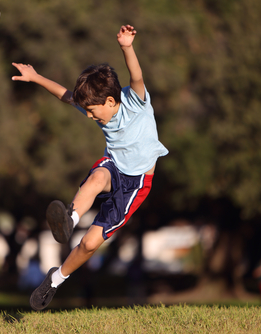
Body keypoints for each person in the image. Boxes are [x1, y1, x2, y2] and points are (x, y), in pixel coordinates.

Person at [12, 25, 168, 311]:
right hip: (113, 168)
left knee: (89, 244)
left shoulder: (136, 101)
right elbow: (64, 94)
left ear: (110, 101)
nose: (89, 116)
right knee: (97, 176)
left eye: (93, 111)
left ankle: (55, 280)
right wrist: (35, 77)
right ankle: (69, 218)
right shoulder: (97, 109)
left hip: (136, 184)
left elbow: (137, 75)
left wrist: (126, 47)